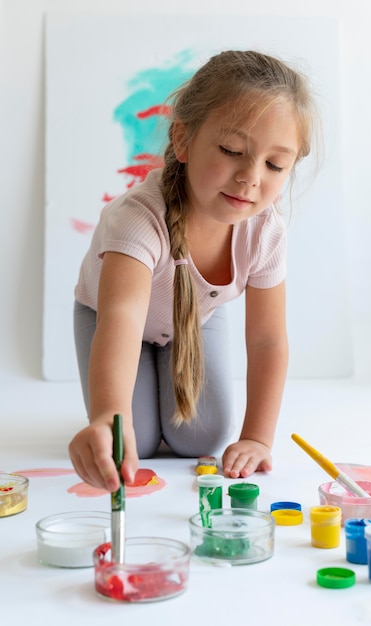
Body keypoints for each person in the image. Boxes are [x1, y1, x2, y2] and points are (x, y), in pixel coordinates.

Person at [68, 49, 319, 492]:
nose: (250, 176)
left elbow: (267, 339)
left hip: (196, 318)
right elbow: (122, 317)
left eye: (275, 164)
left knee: (201, 436)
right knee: (135, 441)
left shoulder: (265, 232)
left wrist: (257, 438)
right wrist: (109, 415)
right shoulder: (138, 218)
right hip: (108, 318)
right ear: (182, 140)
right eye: (231, 150)